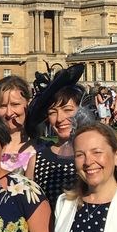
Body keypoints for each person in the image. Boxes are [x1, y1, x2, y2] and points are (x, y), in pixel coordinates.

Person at [25, 64, 86, 209]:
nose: (59, 119)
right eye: (52, 112)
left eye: (67, 110)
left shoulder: (96, 154)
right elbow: (28, 208)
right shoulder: (37, 160)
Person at [0, 76, 38, 174]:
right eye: (3, 106)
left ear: (28, 104)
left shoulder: (41, 149)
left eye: (15, 104)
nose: (9, 113)